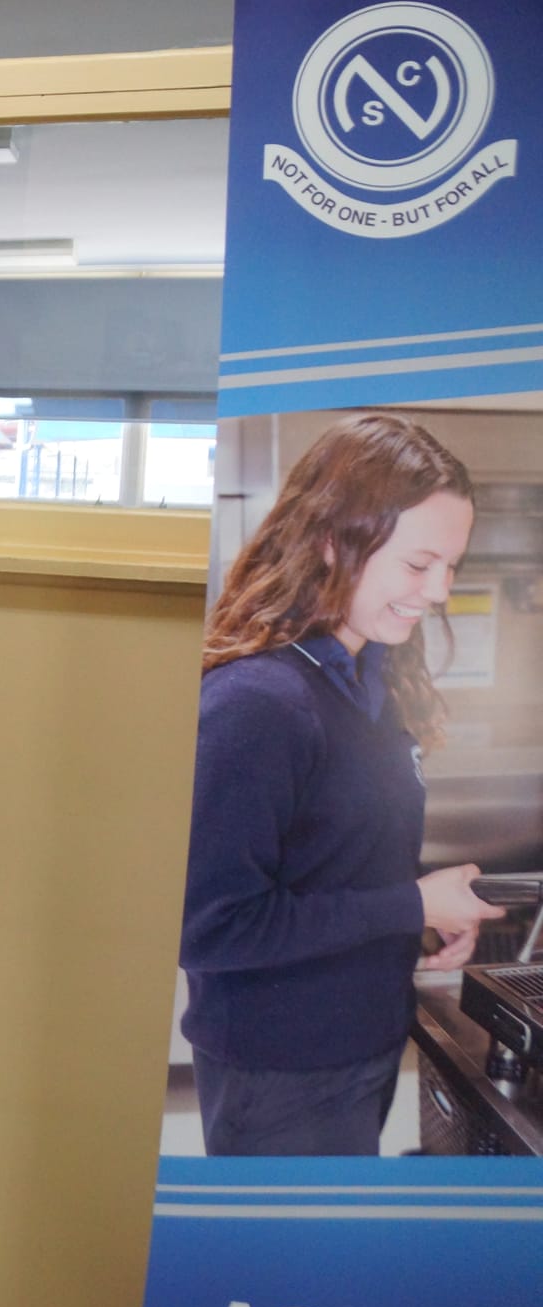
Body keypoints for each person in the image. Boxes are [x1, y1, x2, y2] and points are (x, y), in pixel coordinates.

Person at [180, 412, 505, 1157]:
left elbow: (334, 857)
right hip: (281, 1069)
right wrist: (412, 902)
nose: (439, 592)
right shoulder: (257, 701)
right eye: (419, 563)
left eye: (451, 565)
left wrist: (420, 909)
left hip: (357, 1046)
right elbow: (208, 924)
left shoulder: (367, 677)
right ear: (334, 540)